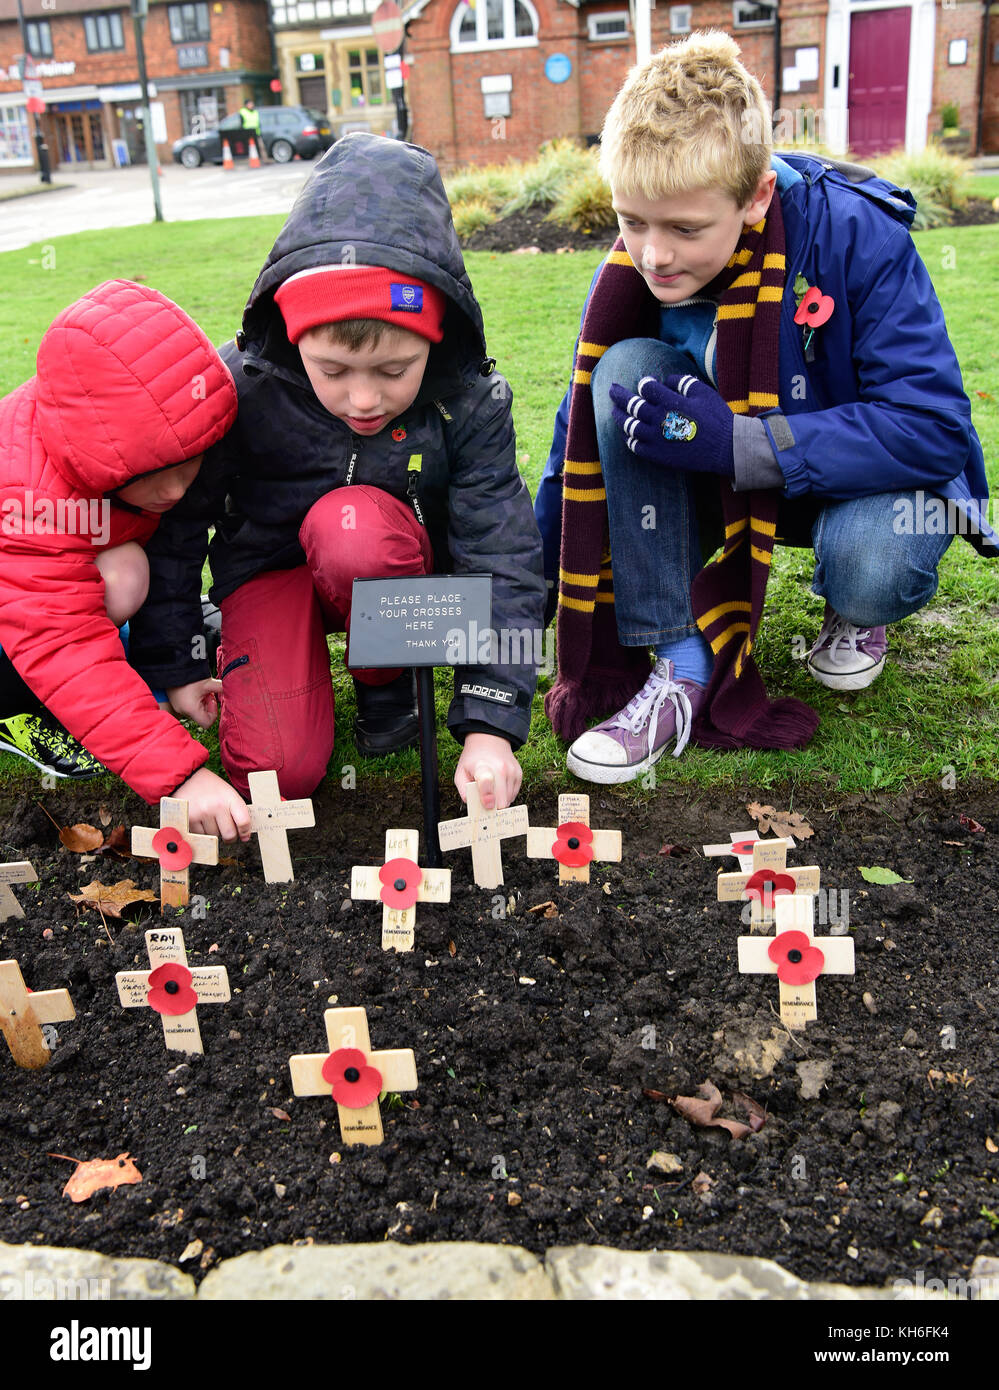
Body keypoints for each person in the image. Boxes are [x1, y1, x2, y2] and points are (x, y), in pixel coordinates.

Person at [536, 30, 995, 785]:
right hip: (732, 480)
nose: (652, 256)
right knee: (622, 374)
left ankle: (854, 607)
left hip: (868, 485)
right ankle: (683, 664)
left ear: (755, 196)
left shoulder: (858, 236)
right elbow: (576, 434)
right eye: (631, 222)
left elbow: (933, 428)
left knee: (869, 565)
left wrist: (744, 445)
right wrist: (528, 589)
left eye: (685, 229)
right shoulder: (642, 258)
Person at [129, 133, 546, 811]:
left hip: (403, 579)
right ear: (294, 338)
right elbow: (176, 530)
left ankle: (386, 687)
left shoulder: (467, 401)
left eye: (392, 371)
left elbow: (502, 554)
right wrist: (176, 665)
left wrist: (490, 727)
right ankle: (247, 644)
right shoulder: (238, 387)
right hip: (273, 572)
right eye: (333, 371)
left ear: (433, 338)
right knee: (278, 777)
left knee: (352, 525)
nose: (362, 400)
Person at [0, 279, 253, 842]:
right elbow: (63, 645)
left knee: (129, 571)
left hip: (41, 594)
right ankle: (18, 711)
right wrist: (180, 775)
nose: (178, 492)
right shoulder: (31, 499)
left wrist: (178, 673)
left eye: (189, 468)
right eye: (155, 479)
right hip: (21, 624)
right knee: (118, 581)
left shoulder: (115, 430)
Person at [238, 97, 266, 161]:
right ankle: (251, 161)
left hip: (256, 132)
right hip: (248, 133)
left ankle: (264, 160)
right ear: (246, 105)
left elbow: (258, 122)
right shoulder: (243, 112)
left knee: (261, 147)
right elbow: (241, 124)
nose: (251, 105)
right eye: (250, 104)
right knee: (250, 148)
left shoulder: (255, 112)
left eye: (252, 103)